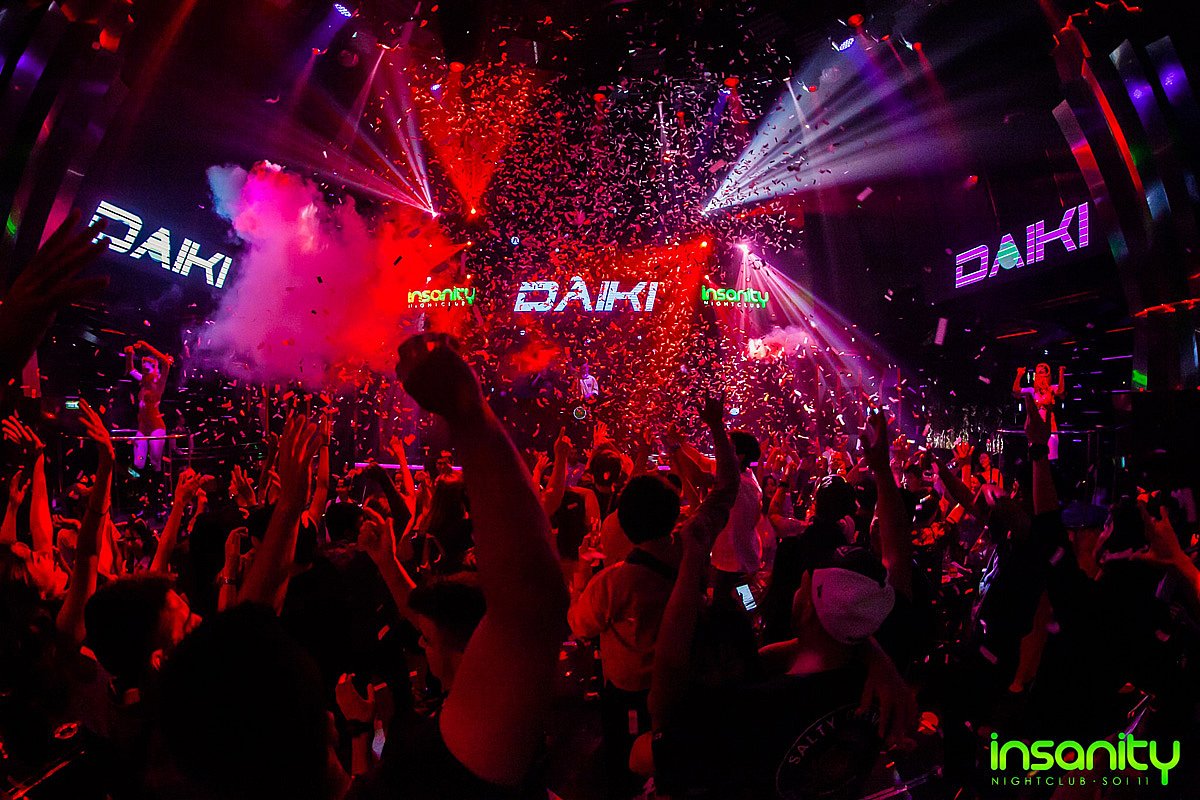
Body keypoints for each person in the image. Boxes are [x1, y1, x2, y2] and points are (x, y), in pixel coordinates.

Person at [568, 471, 683, 795]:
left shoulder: (614, 582)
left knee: (627, 763)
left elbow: (580, 624)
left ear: (625, 522)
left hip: (632, 693)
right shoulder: (689, 556)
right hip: (679, 683)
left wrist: (582, 571)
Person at [125, 340, 174, 472]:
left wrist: (147, 346)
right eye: (144, 371)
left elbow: (165, 363)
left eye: (147, 370)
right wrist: (129, 354)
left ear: (154, 370)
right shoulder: (143, 380)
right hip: (142, 428)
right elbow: (131, 370)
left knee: (155, 461)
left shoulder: (159, 382)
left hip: (156, 427)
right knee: (139, 462)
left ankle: (158, 481)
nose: (144, 373)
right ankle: (139, 481)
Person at [1012, 362, 1065, 460]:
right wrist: (1019, 374)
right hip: (1035, 425)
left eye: (1042, 372)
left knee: (1051, 451)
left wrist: (1061, 373)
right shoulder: (1032, 391)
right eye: (1038, 373)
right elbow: (1016, 390)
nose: (1040, 376)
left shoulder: (1051, 389)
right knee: (1037, 454)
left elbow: (1060, 391)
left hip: (1049, 424)